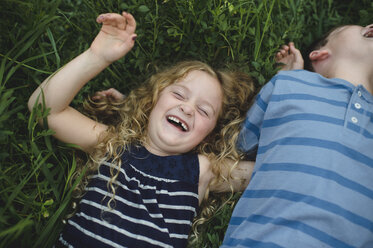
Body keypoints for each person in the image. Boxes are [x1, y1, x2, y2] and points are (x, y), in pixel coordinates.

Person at [28, 12, 256, 247]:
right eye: (178, 94)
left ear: (210, 134)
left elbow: (272, 170)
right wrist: (96, 57)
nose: (187, 108)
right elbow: (43, 110)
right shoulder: (114, 144)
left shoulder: (202, 170)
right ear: (152, 101)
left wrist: (290, 96)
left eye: (204, 111)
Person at [221, 24, 373, 247]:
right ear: (320, 55)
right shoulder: (289, 84)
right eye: (361, 28)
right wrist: (291, 75)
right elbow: (239, 144)